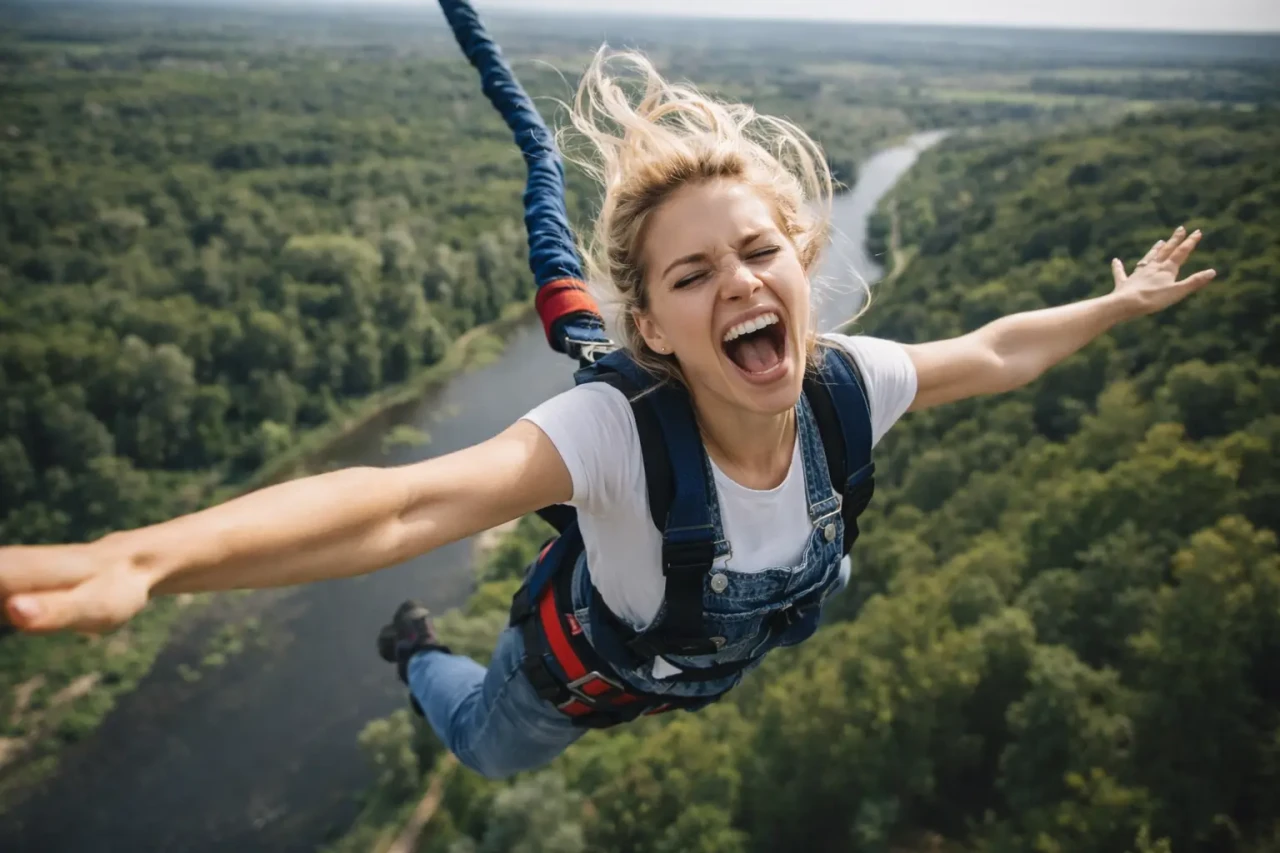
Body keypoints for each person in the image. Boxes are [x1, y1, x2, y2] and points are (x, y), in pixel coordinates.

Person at [0, 1, 1215, 781]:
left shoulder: (848, 383)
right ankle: (417, 653)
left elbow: (995, 352)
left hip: (714, 651)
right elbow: (400, 506)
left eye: (757, 252)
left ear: (800, 261)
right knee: (482, 751)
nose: (737, 283)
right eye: (692, 275)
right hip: (573, 682)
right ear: (654, 326)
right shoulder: (610, 432)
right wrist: (150, 558)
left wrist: (1113, 306)